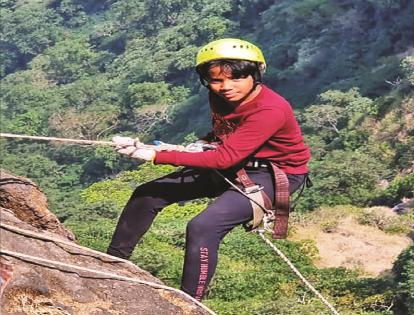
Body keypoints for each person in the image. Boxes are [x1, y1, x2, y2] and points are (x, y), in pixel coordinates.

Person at [107, 38, 311, 301]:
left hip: (273, 174)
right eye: (216, 80)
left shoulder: (270, 109)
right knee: (148, 193)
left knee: (204, 226)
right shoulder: (221, 96)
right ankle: (112, 263)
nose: (225, 87)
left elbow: (224, 158)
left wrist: (155, 155)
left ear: (256, 74)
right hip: (236, 161)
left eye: (236, 78)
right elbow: (226, 131)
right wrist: (204, 142)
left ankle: (190, 303)